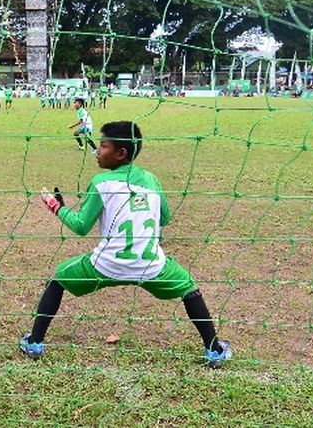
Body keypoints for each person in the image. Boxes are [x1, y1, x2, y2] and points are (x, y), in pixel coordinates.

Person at [20, 121, 233, 368]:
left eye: (103, 146)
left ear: (121, 153)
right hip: (151, 267)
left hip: (106, 265)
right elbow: (165, 217)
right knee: (189, 288)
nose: (97, 152)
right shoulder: (151, 180)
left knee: (58, 280)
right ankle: (214, 349)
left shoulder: (101, 182)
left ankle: (34, 342)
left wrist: (56, 207)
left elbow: (80, 226)